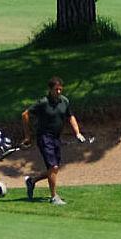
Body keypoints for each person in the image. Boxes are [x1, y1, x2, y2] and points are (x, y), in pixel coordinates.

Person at [21, 76, 88, 205]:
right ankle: (54, 197)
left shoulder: (64, 101)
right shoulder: (43, 102)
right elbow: (25, 115)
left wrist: (78, 133)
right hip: (44, 137)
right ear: (50, 89)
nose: (58, 92)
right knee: (53, 166)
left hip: (56, 138)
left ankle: (32, 181)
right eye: (56, 89)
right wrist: (28, 136)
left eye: (60, 89)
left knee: (54, 169)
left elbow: (70, 116)